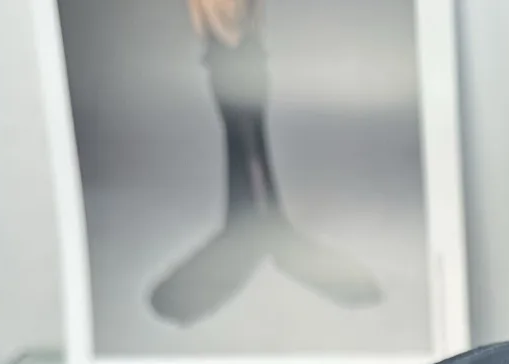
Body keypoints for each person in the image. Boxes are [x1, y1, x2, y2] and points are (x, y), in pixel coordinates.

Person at [150, 0, 383, 324]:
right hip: (232, 51)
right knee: (241, 123)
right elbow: (222, 21)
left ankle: (257, 217)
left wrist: (235, 38)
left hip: (240, 51)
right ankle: (252, 217)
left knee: (247, 124)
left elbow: (237, 20)